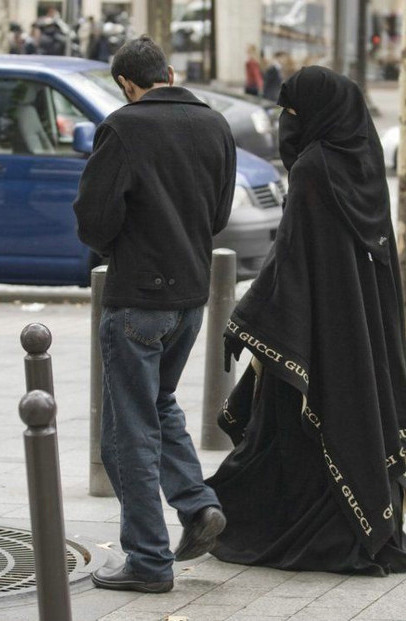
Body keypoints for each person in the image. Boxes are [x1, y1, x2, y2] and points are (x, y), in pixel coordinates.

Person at [207, 66, 406, 576]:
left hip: (314, 335)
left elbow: (290, 263)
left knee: (300, 436)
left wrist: (245, 322)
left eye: (293, 112)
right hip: (361, 334)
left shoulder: (313, 170)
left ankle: (313, 535)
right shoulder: (365, 165)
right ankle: (364, 526)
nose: (286, 122)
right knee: (352, 422)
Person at [73, 35, 236, 593]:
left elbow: (94, 220)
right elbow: (218, 214)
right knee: (158, 406)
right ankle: (196, 505)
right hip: (192, 295)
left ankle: (147, 560)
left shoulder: (123, 126)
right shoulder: (215, 124)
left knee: (127, 435)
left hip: (137, 298)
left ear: (126, 82)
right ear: (169, 71)